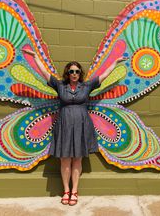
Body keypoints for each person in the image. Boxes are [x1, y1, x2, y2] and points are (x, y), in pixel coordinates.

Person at [22, 48, 126, 206]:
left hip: (81, 125)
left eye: (77, 71)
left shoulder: (87, 85)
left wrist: (115, 63)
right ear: (67, 73)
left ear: (80, 73)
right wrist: (36, 57)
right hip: (64, 125)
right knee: (65, 159)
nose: (74, 73)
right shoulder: (59, 85)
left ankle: (75, 191)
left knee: (77, 159)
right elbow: (44, 73)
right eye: (71, 71)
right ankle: (66, 191)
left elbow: (104, 75)